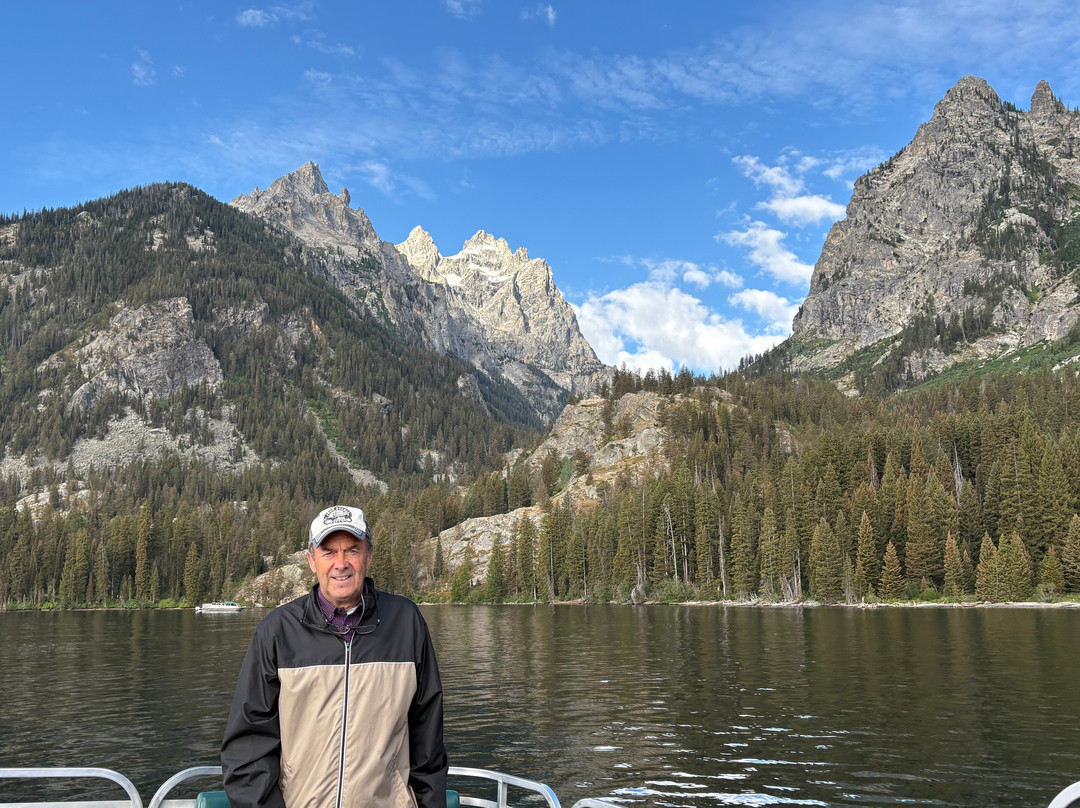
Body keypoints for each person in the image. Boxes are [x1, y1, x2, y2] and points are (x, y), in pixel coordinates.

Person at [221, 504, 448, 808]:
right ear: (311, 560)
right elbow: (247, 749)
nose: (341, 564)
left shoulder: (406, 623)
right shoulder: (276, 632)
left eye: (352, 550)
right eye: (328, 552)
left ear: (368, 555)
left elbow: (428, 746)